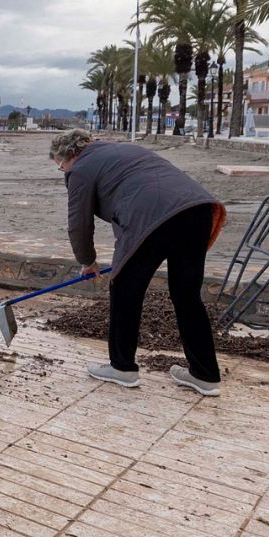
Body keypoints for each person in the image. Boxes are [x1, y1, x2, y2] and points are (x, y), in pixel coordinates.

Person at [49, 129, 227, 396]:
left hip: (152, 218)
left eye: (60, 166)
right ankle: (205, 374)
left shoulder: (81, 168)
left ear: (70, 155)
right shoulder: (125, 150)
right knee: (187, 296)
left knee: (124, 289)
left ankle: (122, 367)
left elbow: (78, 224)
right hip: (197, 210)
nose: (63, 172)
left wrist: (87, 261)